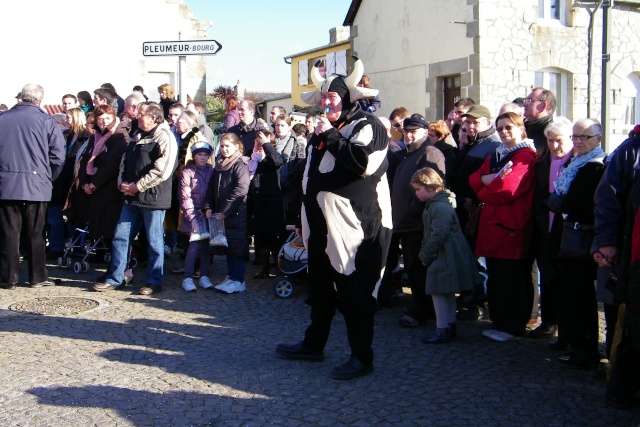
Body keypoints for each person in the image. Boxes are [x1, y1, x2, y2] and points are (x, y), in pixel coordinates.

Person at [275, 57, 392, 380]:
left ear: (349, 99)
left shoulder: (370, 126)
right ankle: (314, 345)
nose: (327, 103)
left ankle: (361, 357)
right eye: (324, 97)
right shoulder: (322, 133)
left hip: (355, 227)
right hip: (319, 225)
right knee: (322, 288)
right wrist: (303, 218)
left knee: (355, 290)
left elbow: (361, 164)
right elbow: (309, 179)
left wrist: (331, 136)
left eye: (333, 97)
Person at [92, 102, 178, 295]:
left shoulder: (165, 137)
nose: (137, 116)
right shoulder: (136, 135)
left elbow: (162, 170)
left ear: (153, 117)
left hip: (153, 199)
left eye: (141, 114)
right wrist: (122, 184)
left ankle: (154, 281)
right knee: (121, 236)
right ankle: (116, 277)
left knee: (154, 241)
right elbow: (124, 162)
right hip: (131, 198)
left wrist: (137, 186)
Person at [544, 119, 607, 368]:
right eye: (576, 136)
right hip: (565, 234)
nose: (579, 140)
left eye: (584, 136)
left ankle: (585, 348)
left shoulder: (598, 167)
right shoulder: (575, 163)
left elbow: (586, 204)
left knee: (581, 296)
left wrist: (562, 202)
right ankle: (570, 339)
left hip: (581, 238)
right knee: (565, 291)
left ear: (597, 139)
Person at [470, 111, 537, 342]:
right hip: (492, 224)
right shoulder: (497, 154)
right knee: (496, 277)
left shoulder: (526, 156)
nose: (504, 132)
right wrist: (489, 181)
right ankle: (499, 321)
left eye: (509, 127)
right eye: (500, 128)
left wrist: (487, 184)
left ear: (521, 129)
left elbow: (507, 188)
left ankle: (512, 325)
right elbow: (475, 179)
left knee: (511, 280)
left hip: (511, 225)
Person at [0, 84, 65, 289]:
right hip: (37, 185)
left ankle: (7, 278)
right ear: (39, 100)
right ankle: (37, 277)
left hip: (7, 184)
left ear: (21, 97)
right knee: (36, 233)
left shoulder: (2, 119)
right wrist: (49, 177)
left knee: (9, 233)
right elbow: (58, 156)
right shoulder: (46, 121)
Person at [412, 167, 479, 344]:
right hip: (447, 251)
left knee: (438, 290)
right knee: (445, 290)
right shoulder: (437, 204)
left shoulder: (440, 206)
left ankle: (442, 328)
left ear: (431, 188)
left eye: (418, 190)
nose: (416, 194)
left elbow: (438, 234)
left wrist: (425, 255)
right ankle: (449, 325)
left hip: (445, 253)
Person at [390, 116, 445, 327]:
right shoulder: (407, 154)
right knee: (412, 268)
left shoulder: (430, 153)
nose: (408, 134)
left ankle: (421, 310)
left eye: (413, 131)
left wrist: (413, 211)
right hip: (405, 222)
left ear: (424, 131)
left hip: (418, 223)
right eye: (406, 131)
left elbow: (434, 186)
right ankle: (420, 306)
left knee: (417, 267)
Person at [450, 105, 501, 320]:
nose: (470, 127)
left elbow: (492, 180)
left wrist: (475, 199)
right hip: (464, 207)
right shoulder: (473, 143)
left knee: (480, 259)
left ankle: (482, 303)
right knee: (469, 256)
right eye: (467, 123)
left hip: (478, 210)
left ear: (487, 123)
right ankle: (472, 296)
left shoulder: (493, 145)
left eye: (475, 123)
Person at [531, 117, 574, 343]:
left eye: (559, 141)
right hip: (545, 229)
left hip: (567, 233)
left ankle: (566, 330)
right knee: (548, 278)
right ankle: (548, 322)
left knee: (565, 283)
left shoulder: (576, 162)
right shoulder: (543, 163)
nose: (554, 146)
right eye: (549, 141)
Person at [77, 104, 129, 253]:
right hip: (95, 189)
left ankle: (111, 257)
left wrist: (94, 183)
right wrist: (85, 183)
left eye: (107, 118)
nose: (104, 121)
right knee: (97, 223)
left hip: (110, 189)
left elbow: (111, 165)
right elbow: (85, 160)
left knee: (109, 225)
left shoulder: (118, 136)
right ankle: (100, 250)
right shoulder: (95, 136)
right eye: (100, 119)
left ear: (113, 117)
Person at [204, 133, 250, 294]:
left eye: (227, 146)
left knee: (236, 246)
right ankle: (231, 276)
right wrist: (209, 206)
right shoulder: (219, 164)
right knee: (228, 246)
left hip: (235, 213)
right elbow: (211, 187)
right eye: (222, 146)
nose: (224, 149)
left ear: (236, 146)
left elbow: (241, 189)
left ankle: (238, 279)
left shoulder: (239, 164)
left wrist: (226, 209)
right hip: (221, 213)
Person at [248, 131, 285, 278]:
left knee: (273, 238)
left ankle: (278, 267)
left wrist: (267, 145)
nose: (259, 145)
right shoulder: (252, 160)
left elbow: (277, 161)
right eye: (257, 142)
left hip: (271, 205)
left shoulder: (270, 159)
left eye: (261, 143)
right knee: (260, 238)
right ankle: (264, 267)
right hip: (258, 204)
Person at [179, 142, 215, 292]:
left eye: (205, 155)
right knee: (193, 246)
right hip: (193, 214)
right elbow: (184, 197)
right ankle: (187, 277)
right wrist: (192, 217)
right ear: (194, 156)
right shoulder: (187, 172)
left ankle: (204, 275)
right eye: (200, 154)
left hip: (208, 214)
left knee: (207, 247)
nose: (203, 157)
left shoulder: (212, 170)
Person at [274, 114, 306, 225]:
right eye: (277, 125)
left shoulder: (297, 142)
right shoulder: (272, 142)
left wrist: (287, 183)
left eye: (283, 125)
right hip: (274, 187)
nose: (279, 128)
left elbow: (300, 164)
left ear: (289, 127)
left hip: (291, 188)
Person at [523, 87, 556, 158]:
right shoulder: (521, 129)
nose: (525, 104)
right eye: (526, 100)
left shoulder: (552, 134)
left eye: (530, 101)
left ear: (543, 105)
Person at [427, 120, 459, 186]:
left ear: (441, 137)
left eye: (431, 135)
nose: (427, 138)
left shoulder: (448, 152)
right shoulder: (429, 149)